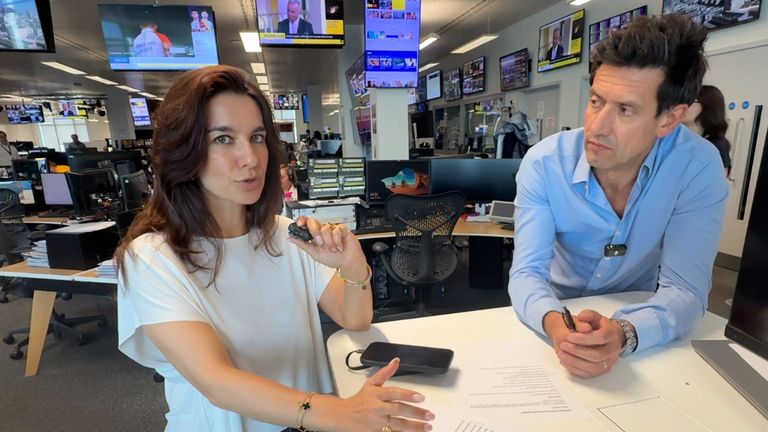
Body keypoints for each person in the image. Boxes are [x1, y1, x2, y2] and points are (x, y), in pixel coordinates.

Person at [114, 65, 433, 432]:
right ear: (184, 151)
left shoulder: (285, 234)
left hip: (309, 424)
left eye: (257, 137)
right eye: (223, 139)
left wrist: (353, 265)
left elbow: (355, 319)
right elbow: (217, 381)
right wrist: (339, 413)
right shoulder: (152, 259)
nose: (250, 158)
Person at [508, 14, 728, 379]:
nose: (597, 127)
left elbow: (686, 289)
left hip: (640, 313)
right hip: (554, 310)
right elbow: (527, 273)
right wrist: (556, 324)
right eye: (596, 101)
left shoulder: (697, 166)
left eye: (625, 110)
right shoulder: (545, 162)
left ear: (669, 119)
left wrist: (626, 333)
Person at [682, 85, 732, 176]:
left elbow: (717, 182)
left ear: (708, 106)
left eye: (692, 101)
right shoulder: (683, 140)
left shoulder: (716, 146)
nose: (682, 106)